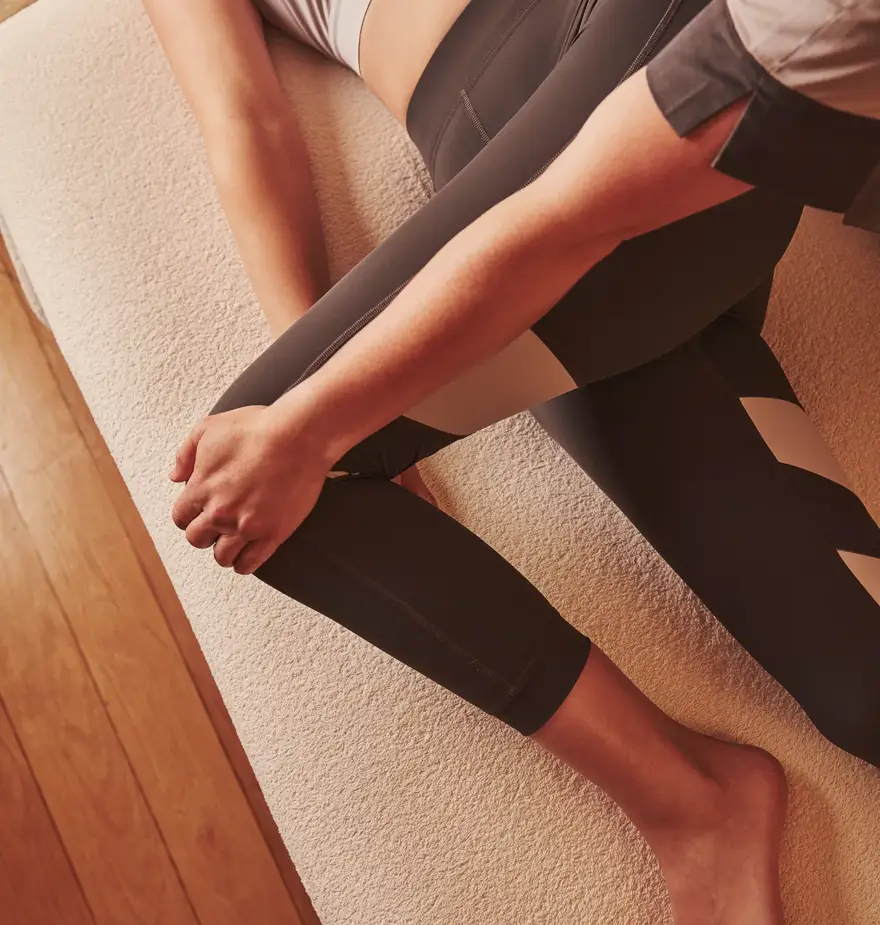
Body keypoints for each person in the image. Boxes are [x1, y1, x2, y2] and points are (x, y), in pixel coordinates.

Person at [145, 0, 879, 921]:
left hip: (650, 70)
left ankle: (686, 807)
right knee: (867, 694)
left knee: (281, 466)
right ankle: (710, 800)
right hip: (564, 191)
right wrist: (344, 394)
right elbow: (244, 120)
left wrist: (326, 419)